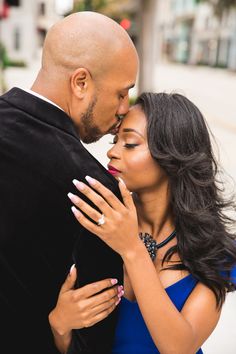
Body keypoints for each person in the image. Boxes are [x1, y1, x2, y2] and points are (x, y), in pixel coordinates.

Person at [49, 92, 236, 354]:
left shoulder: (216, 250)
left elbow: (179, 348)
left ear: (173, 155)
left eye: (130, 144)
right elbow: (79, 346)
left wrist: (132, 249)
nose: (111, 152)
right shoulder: (95, 224)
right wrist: (60, 324)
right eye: (115, 141)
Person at [0, 11, 138, 353]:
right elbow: (93, 342)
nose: (124, 109)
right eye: (121, 94)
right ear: (81, 83)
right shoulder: (96, 191)